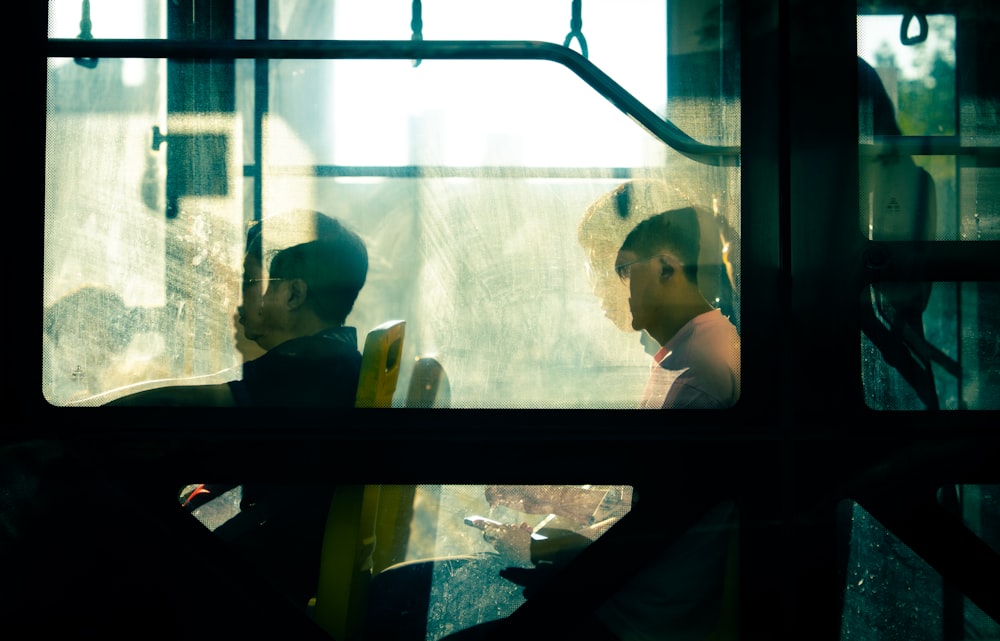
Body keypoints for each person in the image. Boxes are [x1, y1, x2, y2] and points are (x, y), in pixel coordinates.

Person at [106, 210, 368, 408]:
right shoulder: (338, 355)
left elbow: (185, 402)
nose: (237, 298)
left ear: (293, 295)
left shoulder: (308, 364)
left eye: (248, 283)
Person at [615, 207, 741, 409]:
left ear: (665, 269)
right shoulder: (692, 348)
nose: (623, 289)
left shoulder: (694, 377)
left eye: (629, 272)